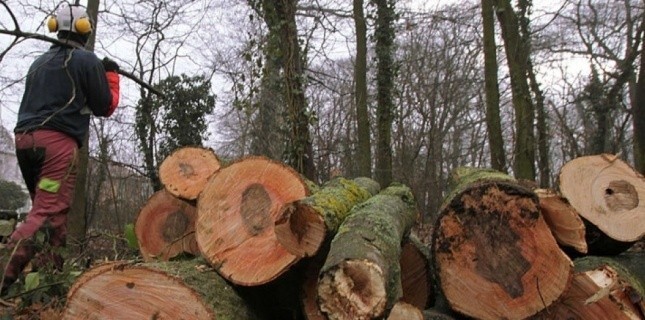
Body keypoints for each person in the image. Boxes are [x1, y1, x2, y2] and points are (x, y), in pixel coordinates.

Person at [0, 3, 120, 294]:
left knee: (54, 220)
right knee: (44, 215)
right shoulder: (85, 60)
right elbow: (105, 106)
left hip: (27, 144)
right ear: (84, 29)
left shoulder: (38, 63)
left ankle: (47, 287)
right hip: (56, 147)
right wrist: (111, 75)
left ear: (57, 27)